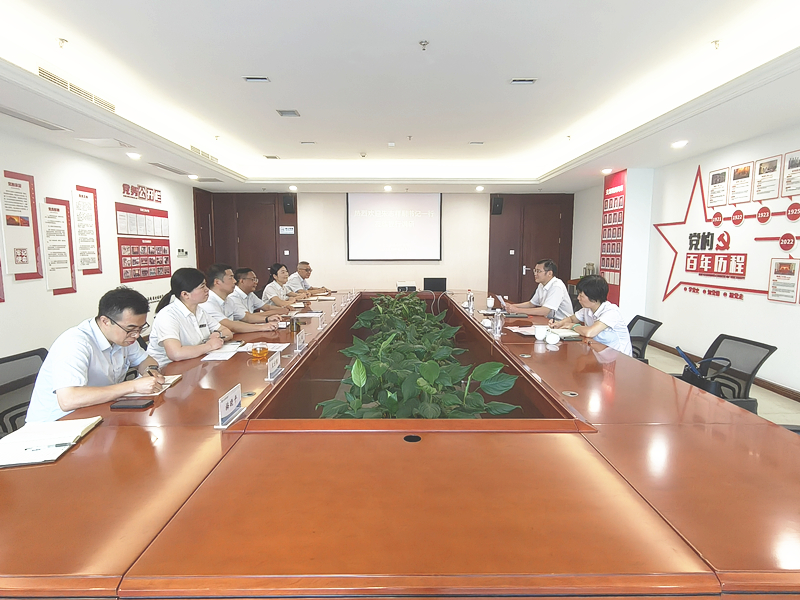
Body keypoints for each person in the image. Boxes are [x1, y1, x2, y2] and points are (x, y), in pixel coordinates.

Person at [25, 287, 166, 422]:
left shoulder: (124, 338)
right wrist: (133, 386)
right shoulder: (75, 343)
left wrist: (150, 371)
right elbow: (68, 400)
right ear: (105, 321)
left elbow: (145, 360)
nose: (136, 335)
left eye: (140, 328)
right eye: (131, 329)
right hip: (55, 424)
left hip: (95, 413)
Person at [147, 268, 233, 367]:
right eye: (202, 286)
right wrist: (209, 345)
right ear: (185, 294)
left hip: (194, 363)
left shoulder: (200, 311)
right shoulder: (168, 315)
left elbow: (227, 332)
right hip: (166, 369)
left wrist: (217, 334)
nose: (207, 290)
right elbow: (175, 354)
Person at [550, 274, 632, 356]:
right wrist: (559, 323)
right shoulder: (587, 309)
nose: (578, 298)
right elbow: (572, 319)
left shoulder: (611, 312)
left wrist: (573, 326)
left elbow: (590, 332)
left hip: (618, 358)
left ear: (593, 297)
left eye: (581, 296)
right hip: (599, 353)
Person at [199, 264, 280, 333]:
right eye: (230, 278)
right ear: (217, 282)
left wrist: (267, 319)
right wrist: (262, 327)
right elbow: (229, 325)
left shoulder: (228, 300)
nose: (235, 281)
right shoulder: (207, 302)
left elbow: (246, 317)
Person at [507, 259, 573, 320]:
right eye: (535, 271)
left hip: (562, 323)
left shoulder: (557, 286)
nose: (535, 274)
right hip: (549, 321)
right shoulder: (541, 285)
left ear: (549, 273)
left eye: (538, 271)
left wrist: (517, 310)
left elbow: (545, 311)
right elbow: (531, 304)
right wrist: (511, 306)